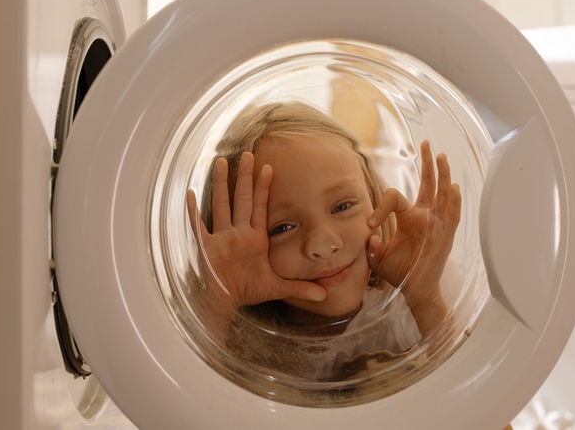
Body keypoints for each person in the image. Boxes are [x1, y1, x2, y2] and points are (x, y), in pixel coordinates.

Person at [185, 101, 461, 382]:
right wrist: (216, 302)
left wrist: (424, 299)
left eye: (342, 207)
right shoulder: (235, 338)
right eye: (281, 228)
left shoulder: (412, 300)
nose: (322, 246)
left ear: (373, 195)